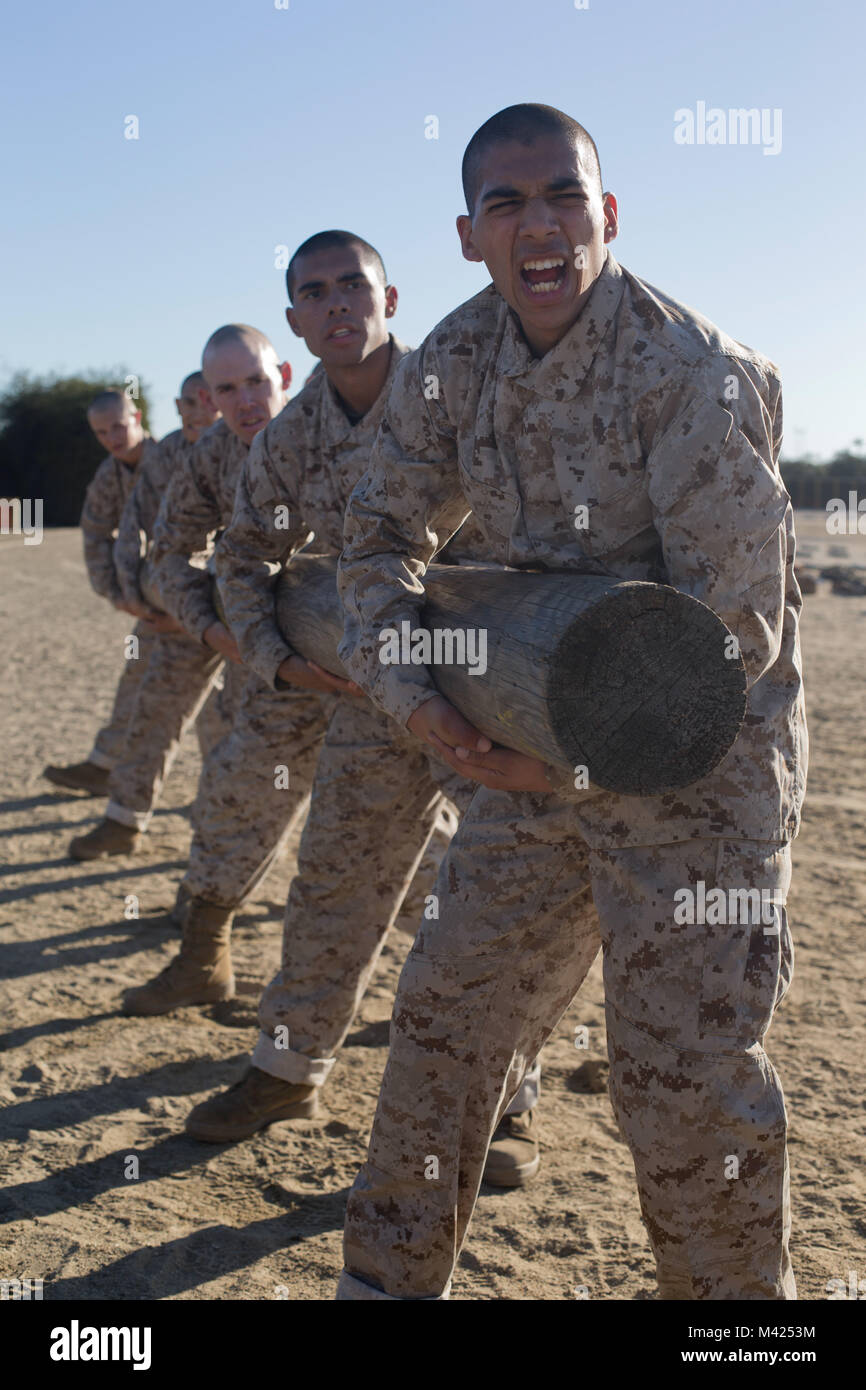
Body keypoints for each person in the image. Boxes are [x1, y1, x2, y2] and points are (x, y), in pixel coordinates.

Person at [334, 104, 807, 1299]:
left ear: (606, 213)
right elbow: (375, 534)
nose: (537, 226)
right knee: (441, 1026)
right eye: (506, 204)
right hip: (523, 748)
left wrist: (569, 766)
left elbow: (735, 628)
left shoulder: (690, 373)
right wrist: (417, 700)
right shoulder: (452, 361)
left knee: (684, 1089)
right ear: (466, 234)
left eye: (560, 197)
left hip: (693, 768)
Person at [184, 233, 540, 1188]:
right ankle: (287, 1069)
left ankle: (508, 1102)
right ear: (297, 321)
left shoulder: (459, 386)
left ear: (390, 297)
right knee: (335, 879)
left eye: (354, 285)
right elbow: (243, 554)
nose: (338, 303)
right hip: (375, 695)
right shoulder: (293, 433)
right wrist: (275, 662)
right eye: (315, 293)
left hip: (490, 688)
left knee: (492, 900)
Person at [121, 324, 330, 1015]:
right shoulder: (212, 455)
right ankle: (203, 959)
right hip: (271, 672)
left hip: (377, 677)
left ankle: (492, 1056)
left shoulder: (342, 426)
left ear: (285, 374)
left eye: (256, 382)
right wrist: (210, 627)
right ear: (207, 398)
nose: (244, 401)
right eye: (226, 389)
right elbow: (170, 554)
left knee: (416, 846)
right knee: (232, 799)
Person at [66, 375, 227, 859]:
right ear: (177, 407)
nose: (200, 411)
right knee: (152, 704)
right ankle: (123, 816)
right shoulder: (166, 458)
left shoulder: (261, 449)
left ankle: (220, 821)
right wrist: (129, 596)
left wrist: (196, 615)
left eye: (210, 399)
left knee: (228, 723)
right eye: (190, 403)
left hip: (237, 614)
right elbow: (126, 531)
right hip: (172, 605)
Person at [44, 389, 163, 798]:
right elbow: (94, 533)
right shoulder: (109, 476)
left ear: (138, 416)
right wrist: (115, 594)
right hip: (155, 607)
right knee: (138, 675)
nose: (113, 437)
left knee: (218, 702)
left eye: (118, 425)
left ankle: (223, 787)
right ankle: (104, 765)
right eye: (101, 432)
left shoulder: (177, 460)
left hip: (210, 599)